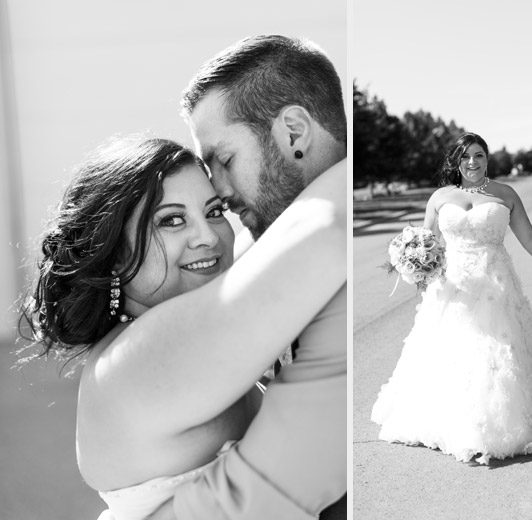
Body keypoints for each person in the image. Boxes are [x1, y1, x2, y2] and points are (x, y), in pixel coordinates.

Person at [18, 133, 346, 520]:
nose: (208, 237)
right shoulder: (137, 359)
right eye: (172, 220)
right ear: (114, 254)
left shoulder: (172, 321)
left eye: (214, 211)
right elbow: (329, 228)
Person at [147, 35, 348, 520]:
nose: (215, 188)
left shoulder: (335, 241)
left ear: (295, 132)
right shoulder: (250, 241)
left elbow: (282, 476)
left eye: (224, 159)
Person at [371, 132, 532, 465]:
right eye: (466, 156)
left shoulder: (504, 194)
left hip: (496, 283)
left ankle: (497, 424)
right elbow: (427, 242)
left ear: (488, 159)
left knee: (498, 351)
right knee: (453, 353)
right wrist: (416, 266)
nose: (473, 162)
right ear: (456, 161)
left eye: (480, 155)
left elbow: (527, 236)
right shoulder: (440, 197)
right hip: (452, 287)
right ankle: (456, 423)